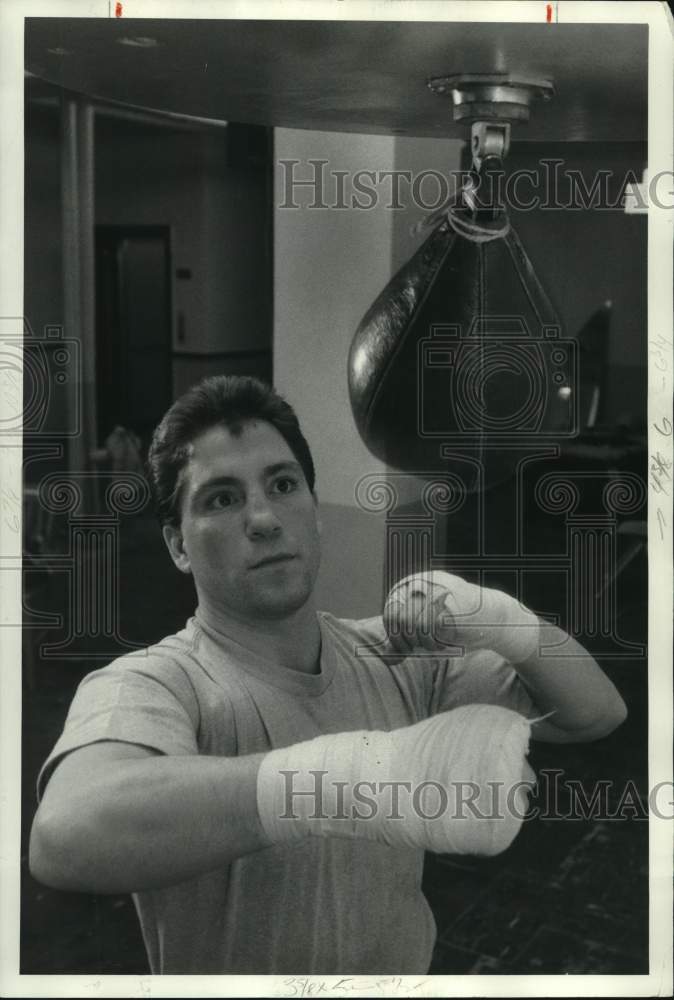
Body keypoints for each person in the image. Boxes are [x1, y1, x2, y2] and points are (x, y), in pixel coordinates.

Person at [29, 375, 627, 975]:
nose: (263, 517)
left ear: (316, 514)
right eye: (221, 498)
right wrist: (354, 780)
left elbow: (595, 714)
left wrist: (497, 617)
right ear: (177, 545)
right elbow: (64, 836)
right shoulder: (156, 683)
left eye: (283, 485)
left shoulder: (394, 657)